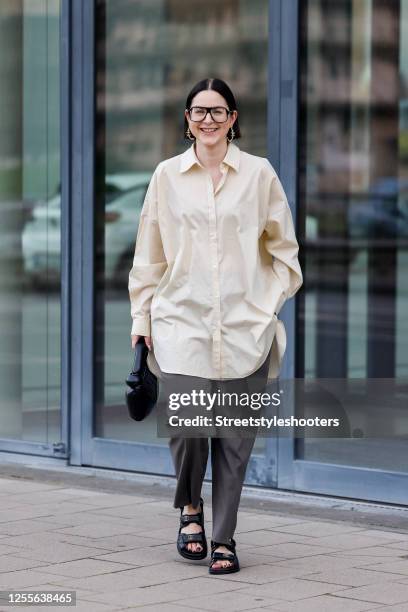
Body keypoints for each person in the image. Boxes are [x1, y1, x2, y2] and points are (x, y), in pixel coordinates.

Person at [128, 77, 303, 574]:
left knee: (234, 438)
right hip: (180, 321)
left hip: (245, 327)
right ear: (187, 121)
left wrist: (263, 304)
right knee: (188, 425)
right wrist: (141, 317)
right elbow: (149, 254)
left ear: (233, 119)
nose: (208, 119)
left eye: (218, 111)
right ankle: (190, 510)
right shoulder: (166, 176)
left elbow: (284, 251)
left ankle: (223, 537)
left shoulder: (259, 174)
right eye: (198, 111)